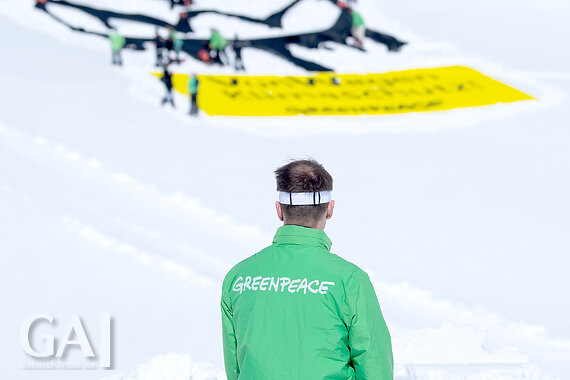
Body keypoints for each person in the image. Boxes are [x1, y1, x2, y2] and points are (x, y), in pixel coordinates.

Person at [221, 159, 393, 380]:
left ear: (279, 210)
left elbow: (235, 365)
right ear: (329, 209)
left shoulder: (238, 277)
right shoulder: (349, 280)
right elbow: (374, 365)